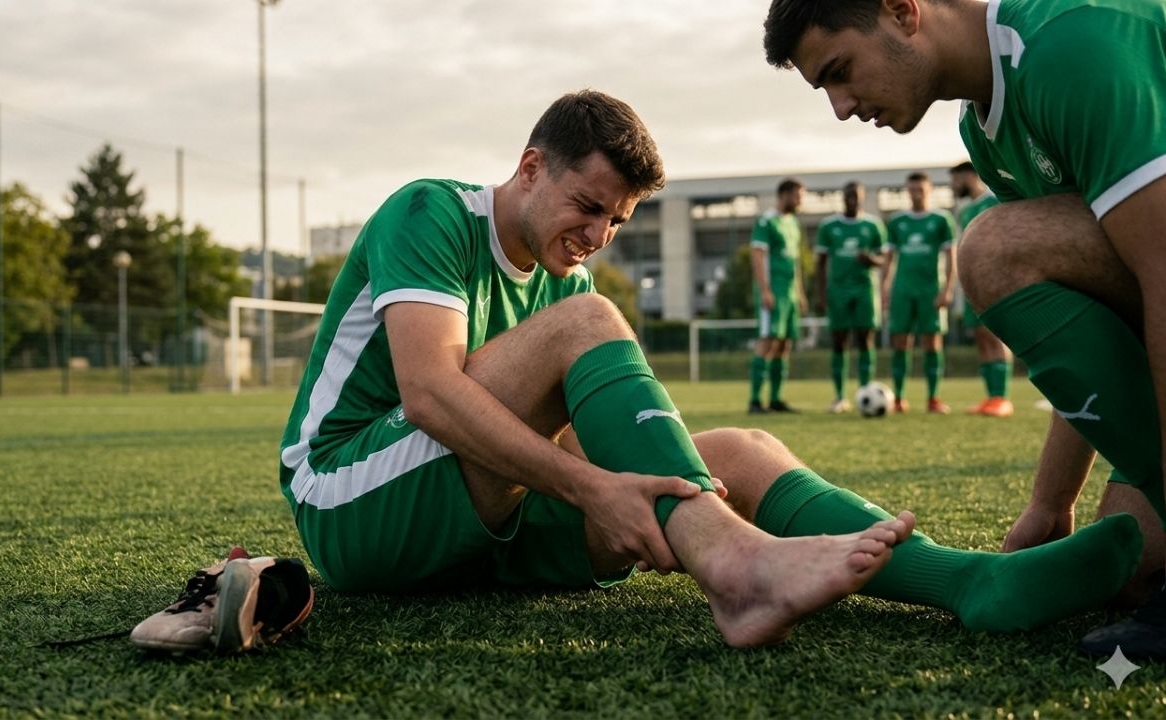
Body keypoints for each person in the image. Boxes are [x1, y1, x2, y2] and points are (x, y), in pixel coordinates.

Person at [275, 89, 1144, 649]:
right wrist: (591, 489)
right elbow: (430, 394)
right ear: (530, 166)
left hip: (464, 523)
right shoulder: (431, 212)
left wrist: (627, 479)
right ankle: (737, 568)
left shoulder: (549, 274)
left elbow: (544, 427)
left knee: (743, 450)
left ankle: (973, 583)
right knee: (588, 322)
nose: (596, 236)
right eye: (587, 207)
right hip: (349, 498)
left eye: (615, 222)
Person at [762, 0, 1166, 656]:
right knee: (1130, 565)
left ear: (901, 11)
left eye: (840, 71)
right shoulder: (984, 132)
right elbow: (1095, 313)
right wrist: (1047, 503)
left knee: (991, 246)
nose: (840, 107)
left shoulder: (1069, 41)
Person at [881, 172, 957, 414]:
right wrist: (884, 288)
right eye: (912, 190)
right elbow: (889, 259)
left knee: (932, 342)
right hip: (903, 290)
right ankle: (899, 398)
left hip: (930, 290)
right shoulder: (896, 222)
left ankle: (933, 398)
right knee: (900, 342)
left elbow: (950, 256)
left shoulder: (941, 220)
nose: (916, 194)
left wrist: (948, 289)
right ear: (907, 191)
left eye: (920, 190)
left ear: (929, 190)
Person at [815, 181, 887, 413]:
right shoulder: (829, 226)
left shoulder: (873, 225)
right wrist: (821, 294)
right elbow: (821, 263)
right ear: (842, 197)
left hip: (865, 289)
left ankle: (865, 389)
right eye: (848, 196)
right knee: (839, 341)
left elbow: (884, 259)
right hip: (838, 291)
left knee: (866, 339)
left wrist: (871, 260)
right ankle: (839, 397)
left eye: (856, 196)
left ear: (862, 198)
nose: (852, 200)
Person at [949, 161, 1013, 418]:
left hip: (994, 279)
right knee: (980, 336)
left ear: (968, 176)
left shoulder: (994, 200)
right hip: (972, 282)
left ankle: (1002, 398)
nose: (953, 186)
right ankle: (990, 397)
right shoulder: (965, 211)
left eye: (955, 180)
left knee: (994, 335)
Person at [749, 179, 808, 414]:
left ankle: (775, 398)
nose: (800, 201)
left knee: (784, 344)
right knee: (767, 341)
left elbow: (795, 262)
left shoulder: (793, 223)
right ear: (784, 195)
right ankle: (755, 400)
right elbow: (757, 255)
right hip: (773, 292)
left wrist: (800, 293)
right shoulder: (767, 222)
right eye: (797, 196)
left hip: (790, 295)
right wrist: (765, 290)